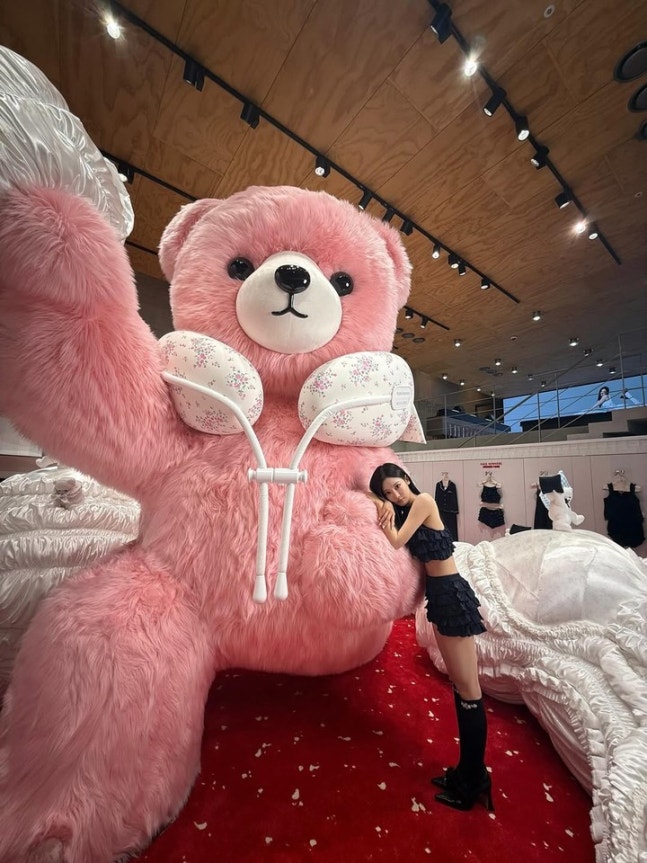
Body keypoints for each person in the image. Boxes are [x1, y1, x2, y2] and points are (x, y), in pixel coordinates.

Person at [368, 463, 492, 812]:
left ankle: (474, 781)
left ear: (407, 479)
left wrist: (384, 510)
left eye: (396, 486)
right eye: (388, 493)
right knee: (460, 686)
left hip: (450, 593)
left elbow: (396, 541)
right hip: (439, 595)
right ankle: (465, 771)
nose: (395, 495)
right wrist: (379, 501)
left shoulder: (423, 501)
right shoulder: (405, 507)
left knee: (469, 690)